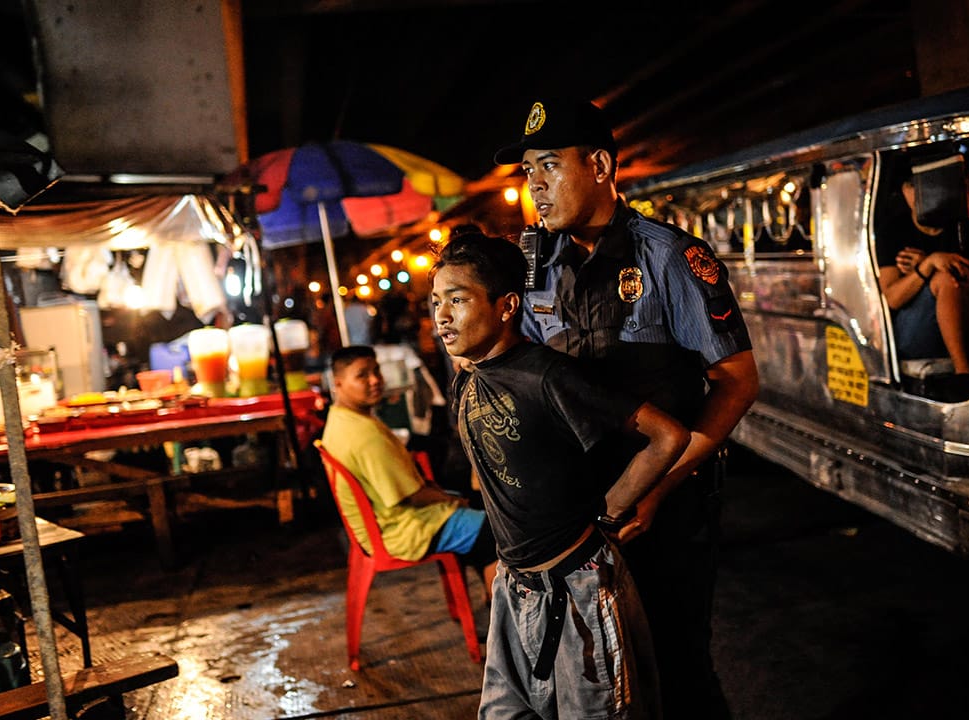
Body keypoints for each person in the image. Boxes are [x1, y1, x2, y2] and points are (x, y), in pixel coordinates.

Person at [493, 97, 760, 719]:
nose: (535, 184)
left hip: (663, 511)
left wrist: (658, 489)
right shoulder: (533, 267)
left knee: (678, 668)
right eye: (528, 171)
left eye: (550, 166)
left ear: (601, 166)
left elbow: (737, 384)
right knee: (598, 682)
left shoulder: (669, 258)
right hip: (576, 517)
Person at [430, 231, 691, 719]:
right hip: (515, 589)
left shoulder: (548, 376)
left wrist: (611, 510)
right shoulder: (469, 375)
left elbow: (667, 437)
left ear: (507, 306)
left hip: (579, 592)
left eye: (458, 300)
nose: (441, 316)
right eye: (436, 301)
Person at [321, 344, 498, 599]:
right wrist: (452, 501)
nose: (374, 381)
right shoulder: (363, 436)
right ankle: (502, 615)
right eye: (362, 375)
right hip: (402, 528)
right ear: (337, 383)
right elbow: (412, 495)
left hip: (384, 523)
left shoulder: (339, 419)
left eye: (376, 371)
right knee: (497, 531)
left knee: (473, 508)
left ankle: (486, 596)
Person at [876, 166, 969, 401]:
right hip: (913, 335)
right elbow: (892, 299)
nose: (917, 193)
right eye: (909, 186)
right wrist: (927, 266)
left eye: (923, 184)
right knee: (944, 279)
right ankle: (964, 372)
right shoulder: (893, 232)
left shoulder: (964, 228)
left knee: (951, 282)